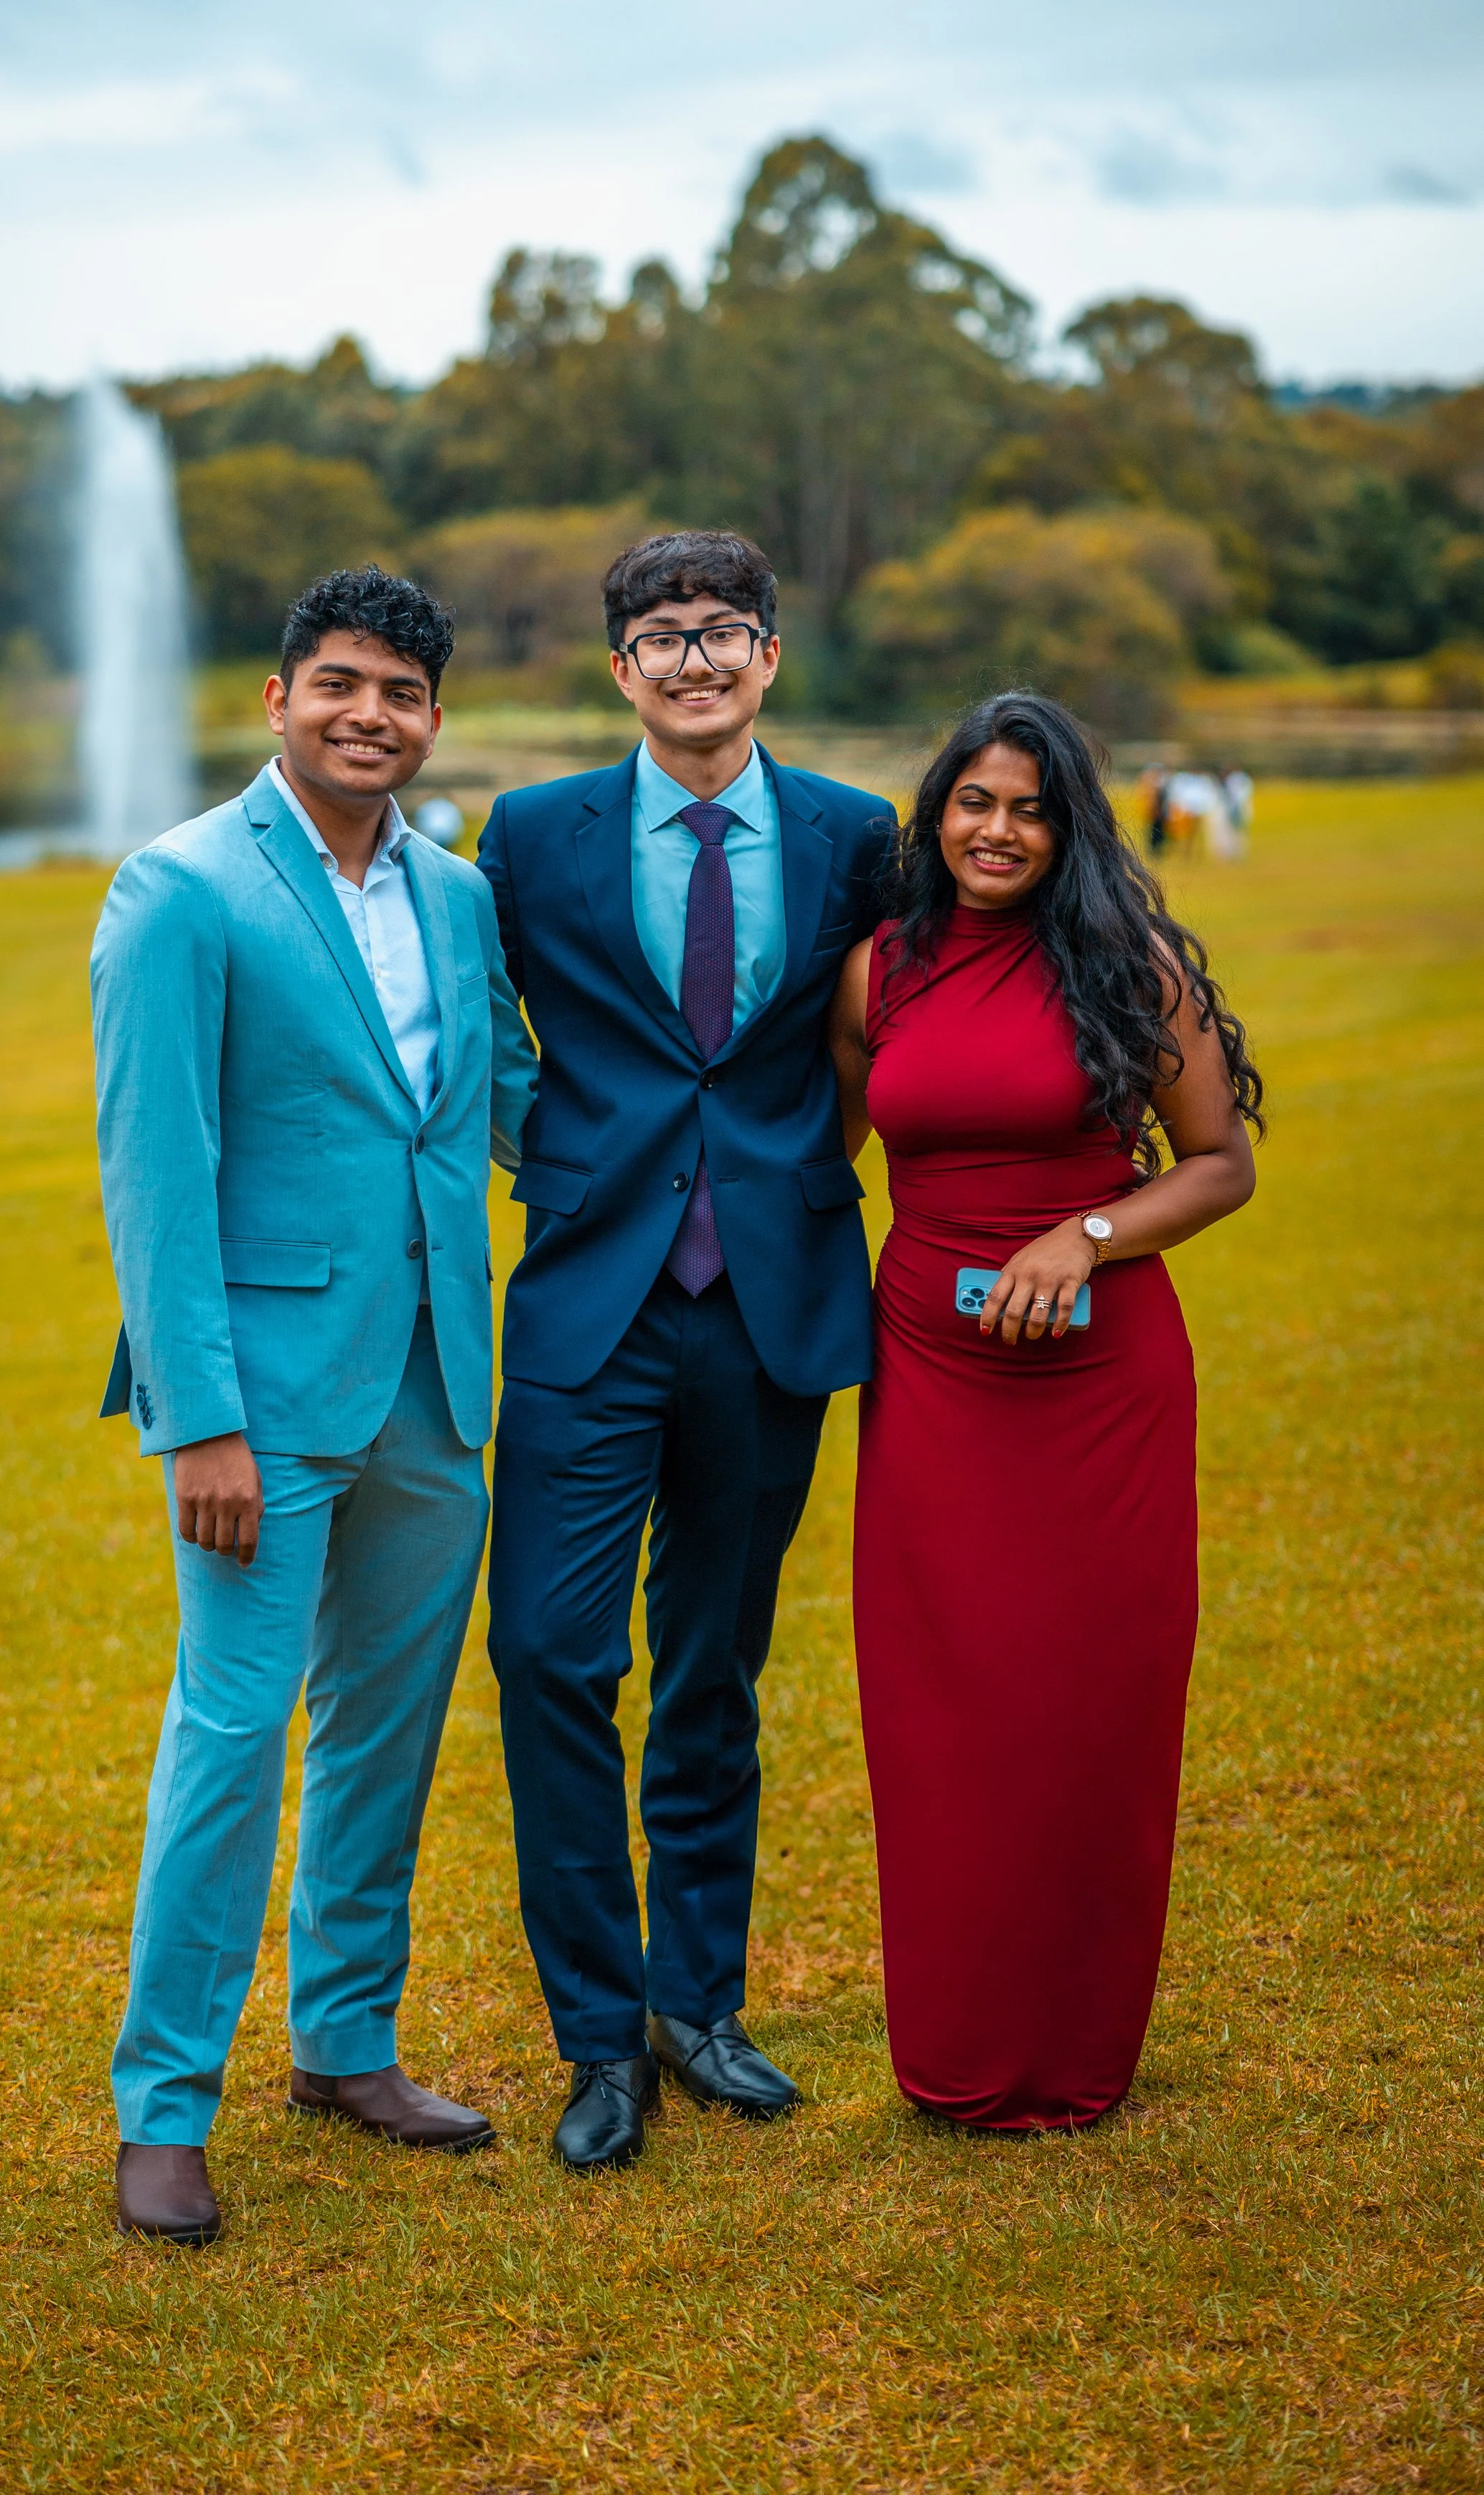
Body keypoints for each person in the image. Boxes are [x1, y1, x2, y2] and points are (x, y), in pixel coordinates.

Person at [91, 566, 537, 2243]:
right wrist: (196, 1418)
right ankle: (162, 2108)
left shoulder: (458, 892)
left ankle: (345, 2043)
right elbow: (158, 1171)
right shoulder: (181, 890)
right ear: (278, 697)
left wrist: (715, 1155)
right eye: (339, 683)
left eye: (403, 693)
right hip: (258, 1406)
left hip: (437, 1376)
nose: (371, 715)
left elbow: (496, 1099)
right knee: (230, 1732)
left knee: (387, 1728)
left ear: (433, 719)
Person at [476, 530, 896, 2171]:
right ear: (618, 670)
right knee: (547, 1659)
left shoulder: (856, 837)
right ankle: (596, 2039)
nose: (694, 659)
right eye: (661, 635)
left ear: (771, 659)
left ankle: (694, 2003)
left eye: (725, 631)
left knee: (712, 1669)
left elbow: (886, 1030)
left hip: (767, 1307)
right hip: (588, 1306)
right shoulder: (530, 835)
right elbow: (463, 1019)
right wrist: (551, 1148)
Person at [827, 691, 1262, 2132]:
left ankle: (1076, 2051)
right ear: (935, 810)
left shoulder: (1124, 967)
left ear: (1066, 826)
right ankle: (953, 2048)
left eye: (1025, 808)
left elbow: (1214, 1165)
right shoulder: (875, 972)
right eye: (971, 801)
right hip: (931, 1388)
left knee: (1088, 1710)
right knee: (941, 1710)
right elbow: (819, 1160)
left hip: (1095, 1391)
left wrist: (1084, 1235)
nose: (994, 831)